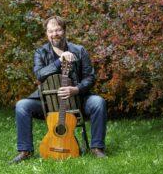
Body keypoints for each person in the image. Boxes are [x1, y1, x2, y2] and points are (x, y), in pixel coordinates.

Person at [10, 16, 107, 164]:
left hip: (78, 100)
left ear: (64, 31)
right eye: (50, 31)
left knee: (98, 102)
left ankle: (97, 148)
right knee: (22, 105)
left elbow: (90, 78)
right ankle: (25, 151)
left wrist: (76, 89)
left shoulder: (79, 50)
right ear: (46, 33)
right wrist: (58, 61)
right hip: (49, 103)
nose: (54, 34)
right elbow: (39, 74)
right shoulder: (40, 53)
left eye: (58, 30)